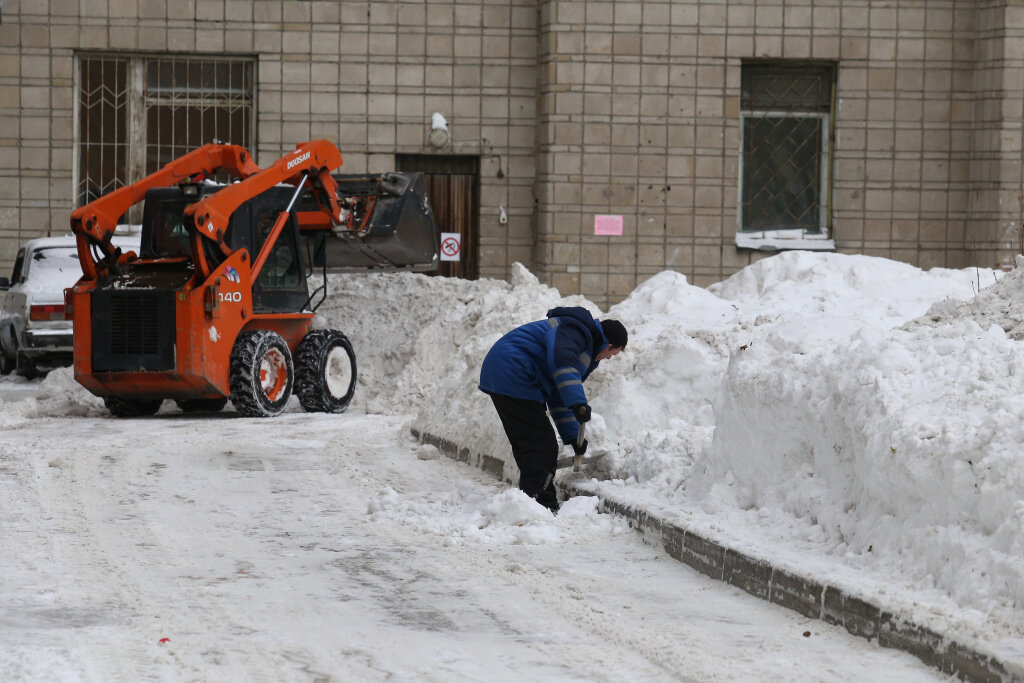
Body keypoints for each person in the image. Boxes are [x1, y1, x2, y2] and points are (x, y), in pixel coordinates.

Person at [478, 306, 628, 512]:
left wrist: (574, 437)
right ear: (608, 345)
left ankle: (531, 500)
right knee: (540, 444)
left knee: (533, 442)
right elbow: (562, 361)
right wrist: (578, 401)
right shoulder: (577, 332)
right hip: (513, 371)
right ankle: (540, 502)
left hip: (512, 375)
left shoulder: (583, 345)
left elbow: (558, 394)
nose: (608, 359)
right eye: (612, 354)